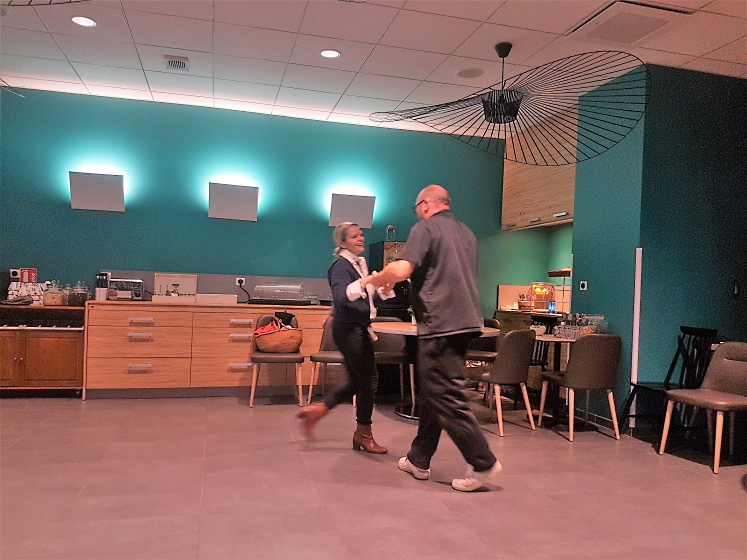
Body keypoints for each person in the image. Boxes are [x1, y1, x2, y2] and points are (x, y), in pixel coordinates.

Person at [368, 185, 502, 491]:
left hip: (440, 323)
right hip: (466, 322)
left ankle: (483, 462)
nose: (417, 212)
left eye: (416, 207)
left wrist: (375, 279)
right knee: (434, 391)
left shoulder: (425, 228)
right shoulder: (466, 234)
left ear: (426, 204)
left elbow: (401, 268)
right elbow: (438, 273)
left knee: (444, 394)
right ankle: (419, 458)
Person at [298, 222, 395, 453]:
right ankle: (363, 434)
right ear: (342, 243)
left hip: (355, 328)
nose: (360, 238)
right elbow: (343, 297)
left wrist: (383, 289)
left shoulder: (356, 265)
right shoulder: (340, 266)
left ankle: (319, 411)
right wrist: (367, 281)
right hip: (349, 330)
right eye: (354, 236)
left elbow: (366, 301)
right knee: (368, 381)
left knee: (358, 382)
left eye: (361, 234)